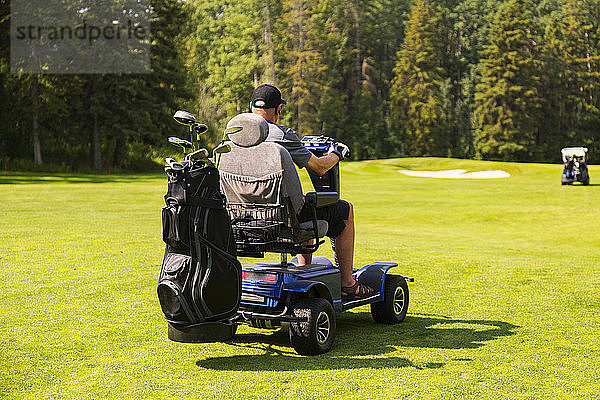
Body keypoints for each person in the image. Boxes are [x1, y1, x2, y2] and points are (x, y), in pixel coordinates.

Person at [249, 84, 374, 300]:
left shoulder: (233, 136)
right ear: (279, 110)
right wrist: (336, 153)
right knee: (344, 210)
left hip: (245, 219)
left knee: (303, 204)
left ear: (251, 107)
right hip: (283, 219)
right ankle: (347, 284)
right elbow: (319, 167)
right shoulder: (282, 135)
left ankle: (303, 270)